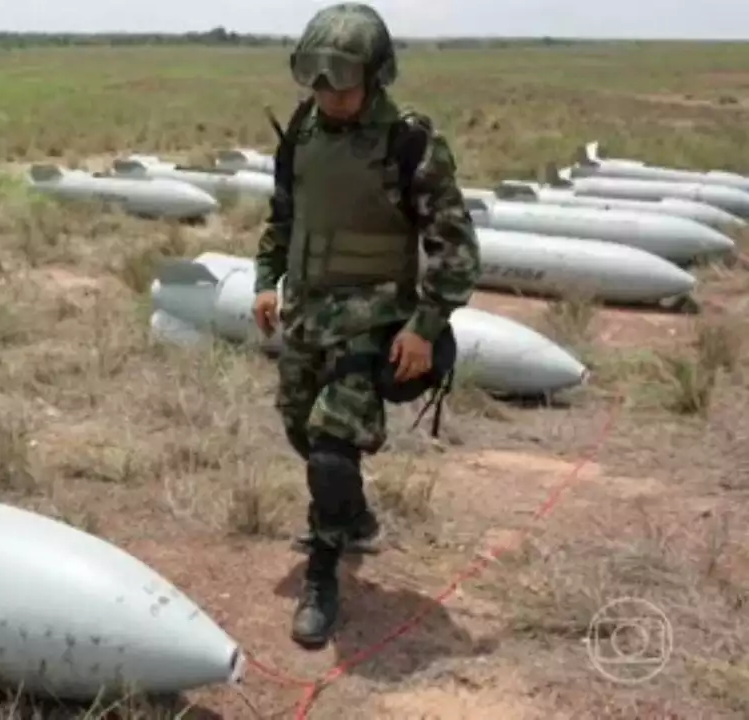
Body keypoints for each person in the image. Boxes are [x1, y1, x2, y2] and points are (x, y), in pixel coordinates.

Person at [252, 3, 481, 649]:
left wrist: (423, 326)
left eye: (342, 82)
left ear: (377, 75)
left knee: (330, 446)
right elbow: (283, 217)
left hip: (373, 321)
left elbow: (456, 248)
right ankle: (350, 517)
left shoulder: (409, 143)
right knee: (299, 425)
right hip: (307, 312)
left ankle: (324, 573)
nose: (328, 94)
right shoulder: (305, 129)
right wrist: (266, 280)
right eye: (316, 80)